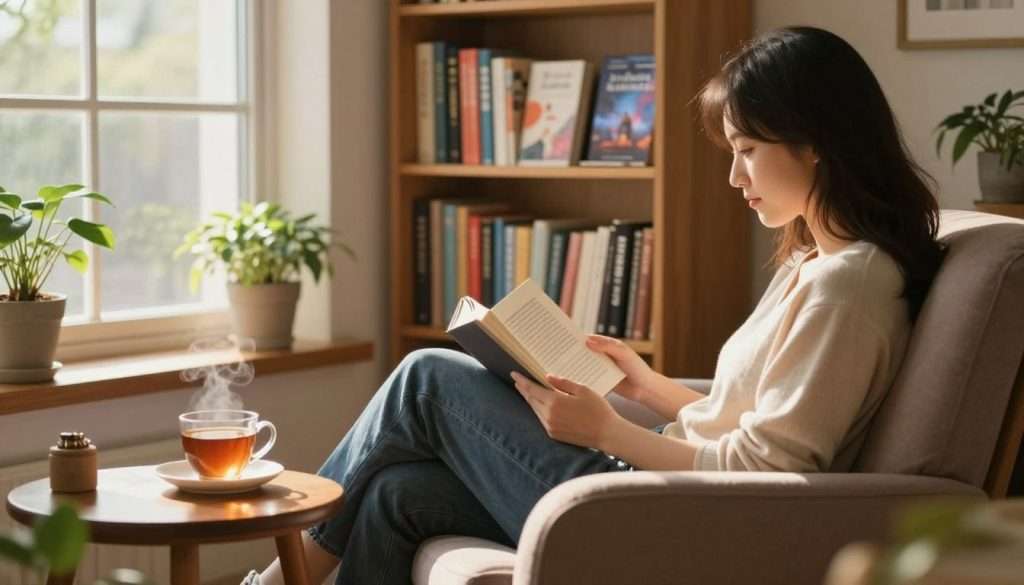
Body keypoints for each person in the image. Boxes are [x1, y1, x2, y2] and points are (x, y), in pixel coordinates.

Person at [243, 26, 944, 585]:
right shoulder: (813, 264)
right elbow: (747, 417)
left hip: (679, 520)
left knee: (425, 379)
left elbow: (766, 472)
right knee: (400, 492)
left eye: (749, 150)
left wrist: (606, 429)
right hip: (674, 492)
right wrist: (646, 386)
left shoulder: (848, 284)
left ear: (814, 142)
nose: (735, 176)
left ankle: (272, 581)